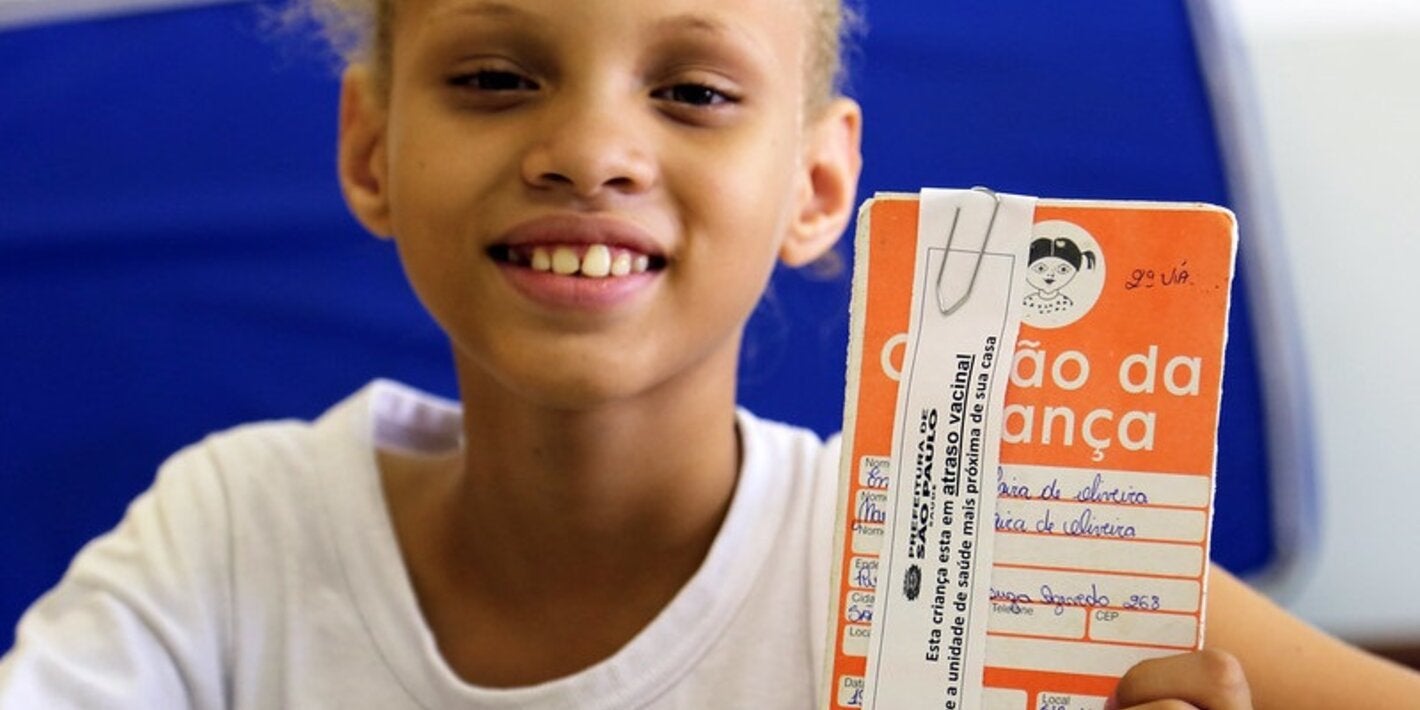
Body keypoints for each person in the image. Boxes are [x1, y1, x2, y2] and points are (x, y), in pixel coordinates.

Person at [1, 0, 1418, 708]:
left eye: (690, 91)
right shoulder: (234, 535)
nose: (590, 152)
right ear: (372, 148)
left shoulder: (989, 558)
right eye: (493, 78)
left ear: (816, 184)